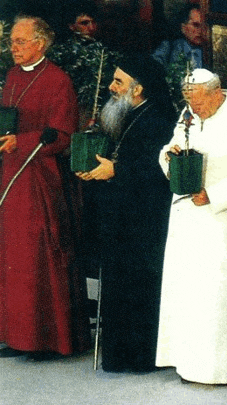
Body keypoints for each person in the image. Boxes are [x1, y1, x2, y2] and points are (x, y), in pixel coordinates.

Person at [155, 68, 227, 384]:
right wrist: (169, 157)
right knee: (186, 289)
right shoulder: (191, 110)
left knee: (217, 293)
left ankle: (221, 369)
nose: (194, 110)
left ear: (216, 93)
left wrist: (212, 195)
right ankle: (187, 363)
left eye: (199, 103)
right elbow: (170, 147)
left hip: (220, 216)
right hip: (186, 214)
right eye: (191, 104)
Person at [76, 54, 175, 372]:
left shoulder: (158, 119)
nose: (111, 86)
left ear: (138, 89)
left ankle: (140, 358)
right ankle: (119, 356)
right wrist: (95, 170)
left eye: (118, 81)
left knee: (138, 287)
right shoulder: (126, 115)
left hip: (144, 221)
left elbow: (158, 170)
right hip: (120, 217)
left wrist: (115, 170)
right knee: (119, 284)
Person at [0, 15, 90, 359]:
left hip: (39, 176)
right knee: (11, 256)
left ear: (41, 43)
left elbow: (62, 134)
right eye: (12, 42)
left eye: (21, 42)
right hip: (10, 173)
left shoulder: (57, 80)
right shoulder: (10, 77)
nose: (14, 48)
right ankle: (16, 336)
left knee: (37, 254)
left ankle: (47, 339)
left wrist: (19, 142)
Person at [152, 3, 207, 71]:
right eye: (195, 25)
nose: (200, 30)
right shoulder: (169, 47)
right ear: (183, 27)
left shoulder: (208, 51)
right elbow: (152, 69)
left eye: (204, 26)